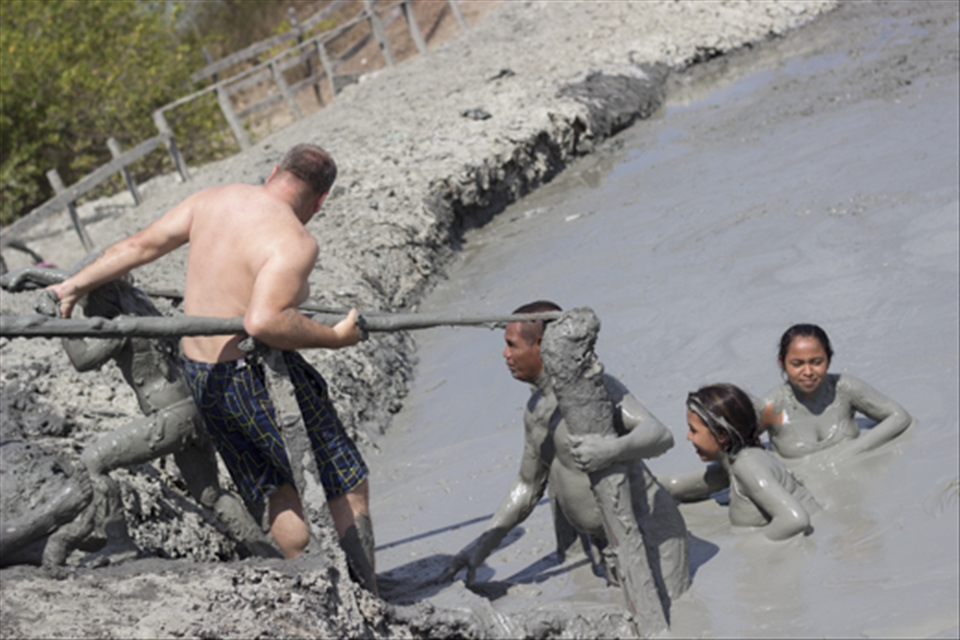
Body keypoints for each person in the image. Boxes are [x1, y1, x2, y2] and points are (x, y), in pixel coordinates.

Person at [48, 144, 376, 592]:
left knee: (275, 491)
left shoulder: (212, 199)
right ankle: (369, 596)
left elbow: (139, 245)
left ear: (274, 172)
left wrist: (72, 286)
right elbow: (264, 321)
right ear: (320, 202)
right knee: (346, 483)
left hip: (202, 378)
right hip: (251, 374)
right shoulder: (295, 241)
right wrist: (336, 338)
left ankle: (323, 589)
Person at [1, 265, 278, 564]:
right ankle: (268, 555)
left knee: (92, 462)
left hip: (168, 417)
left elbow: (82, 360)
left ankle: (120, 543)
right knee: (210, 495)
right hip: (193, 410)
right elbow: (87, 278)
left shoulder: (120, 326)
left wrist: (59, 318)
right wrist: (31, 274)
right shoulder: (144, 309)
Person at [446, 301, 690, 605]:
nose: (505, 355)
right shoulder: (536, 409)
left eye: (511, 345)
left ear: (542, 346)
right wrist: (479, 549)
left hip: (651, 534)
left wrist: (612, 449)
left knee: (680, 614)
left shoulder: (596, 391)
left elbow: (660, 435)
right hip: (607, 544)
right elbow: (527, 486)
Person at [661, 384, 818, 541]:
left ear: (721, 434)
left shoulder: (748, 466)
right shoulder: (732, 466)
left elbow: (795, 520)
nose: (688, 437)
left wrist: (744, 549)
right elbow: (676, 486)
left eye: (693, 430)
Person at [757, 324, 913, 459]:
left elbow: (899, 416)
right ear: (782, 363)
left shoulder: (845, 388)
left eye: (816, 362)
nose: (808, 371)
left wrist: (852, 452)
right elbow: (738, 452)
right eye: (797, 364)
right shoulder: (772, 406)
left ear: (829, 359)